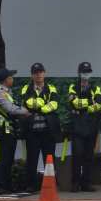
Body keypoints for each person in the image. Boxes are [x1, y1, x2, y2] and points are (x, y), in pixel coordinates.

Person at [20, 62, 62, 193]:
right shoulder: (26, 89)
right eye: (35, 73)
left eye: (40, 72)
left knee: (49, 159)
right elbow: (28, 103)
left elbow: (54, 104)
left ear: (44, 73)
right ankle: (31, 185)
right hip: (32, 131)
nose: (38, 75)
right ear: (32, 75)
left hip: (48, 131)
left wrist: (40, 107)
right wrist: (44, 105)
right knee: (31, 160)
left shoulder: (51, 88)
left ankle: (51, 185)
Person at [0, 68, 30, 194]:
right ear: (5, 80)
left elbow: (14, 106)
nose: (12, 79)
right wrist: (26, 112)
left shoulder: (6, 91)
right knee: (4, 158)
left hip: (8, 129)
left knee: (8, 158)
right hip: (2, 130)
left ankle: (7, 185)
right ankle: (0, 186)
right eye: (11, 77)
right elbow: (10, 109)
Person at [67, 62, 101, 192]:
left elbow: (99, 104)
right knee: (77, 155)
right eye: (84, 71)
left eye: (88, 71)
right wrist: (89, 104)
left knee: (89, 156)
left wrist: (83, 106)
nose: (86, 74)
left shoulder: (95, 88)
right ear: (79, 72)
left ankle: (86, 183)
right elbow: (73, 102)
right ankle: (75, 183)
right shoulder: (73, 86)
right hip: (77, 127)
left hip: (91, 127)